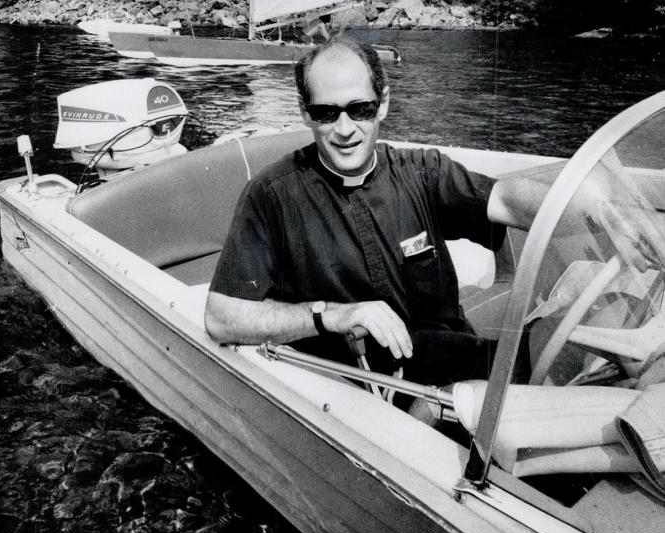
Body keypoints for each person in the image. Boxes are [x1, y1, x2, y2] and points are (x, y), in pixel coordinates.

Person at [204, 35, 545, 387]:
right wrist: (331, 315)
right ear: (305, 112)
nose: (345, 129)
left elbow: (505, 199)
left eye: (360, 109)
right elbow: (221, 317)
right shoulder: (271, 196)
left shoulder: (422, 172)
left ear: (382, 103)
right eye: (326, 113)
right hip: (364, 393)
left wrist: (593, 208)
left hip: (457, 370)